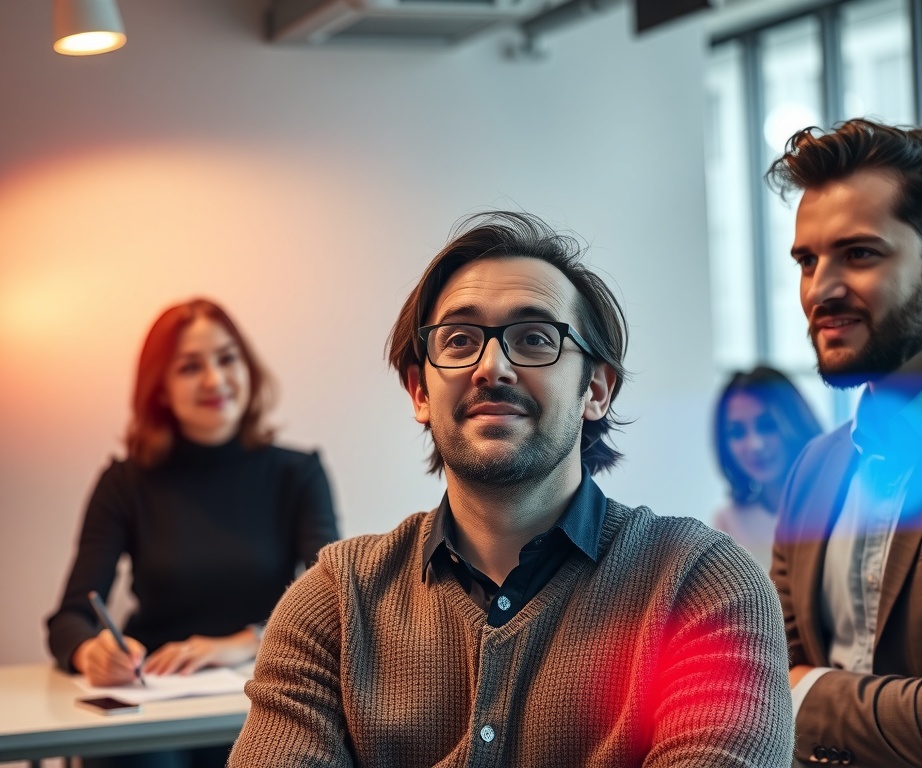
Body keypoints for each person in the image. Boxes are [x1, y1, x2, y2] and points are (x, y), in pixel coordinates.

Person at [228, 211, 793, 767]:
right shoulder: (336, 601)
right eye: (457, 341)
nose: (492, 367)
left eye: (534, 338)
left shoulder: (702, 586)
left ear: (595, 388)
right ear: (419, 391)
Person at [765, 118, 922, 766]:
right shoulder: (815, 468)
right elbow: (751, 686)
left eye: (859, 254)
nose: (819, 289)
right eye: (807, 259)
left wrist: (799, 690)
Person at [47, 298, 341, 768]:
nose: (214, 380)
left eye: (227, 358)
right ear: (160, 388)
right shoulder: (124, 482)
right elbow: (69, 618)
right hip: (152, 702)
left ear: (247, 368)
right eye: (189, 367)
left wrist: (243, 642)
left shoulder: (298, 474)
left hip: (262, 688)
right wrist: (89, 653)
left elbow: (336, 606)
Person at [711, 366, 822, 569]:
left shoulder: (839, 505)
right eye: (737, 432)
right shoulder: (727, 523)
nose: (755, 445)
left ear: (795, 423)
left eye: (767, 426)